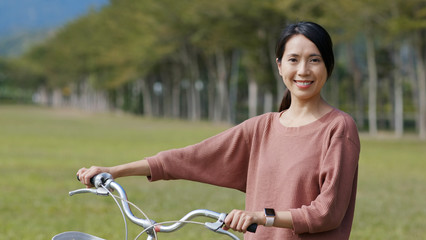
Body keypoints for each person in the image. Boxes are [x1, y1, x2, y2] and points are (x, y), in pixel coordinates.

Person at [77, 21, 360, 240]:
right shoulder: (262, 127)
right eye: (293, 59)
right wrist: (115, 171)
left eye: (314, 59)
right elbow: (190, 158)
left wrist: (262, 217)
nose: (303, 70)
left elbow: (328, 212)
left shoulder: (338, 128)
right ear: (279, 66)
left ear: (328, 66)